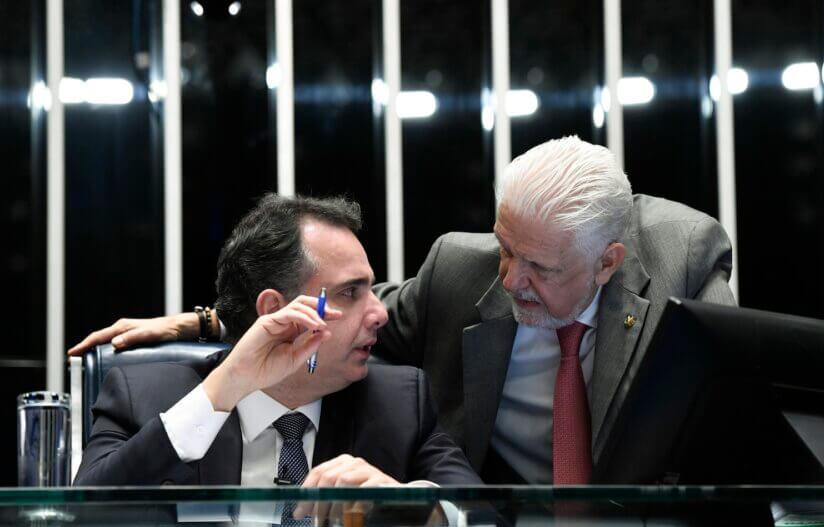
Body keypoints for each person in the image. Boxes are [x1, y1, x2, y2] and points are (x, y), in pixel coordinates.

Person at [71, 136, 734, 485]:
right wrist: (212, 326)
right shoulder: (459, 273)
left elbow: (740, 420)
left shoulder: (684, 260)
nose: (511, 280)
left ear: (608, 263)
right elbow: (326, 310)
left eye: (540, 268)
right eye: (506, 251)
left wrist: (406, 503)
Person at [74, 194, 480, 488]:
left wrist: (407, 506)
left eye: (372, 290)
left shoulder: (400, 405)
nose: (380, 313)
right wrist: (222, 391)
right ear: (275, 311)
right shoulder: (144, 395)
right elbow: (81, 526)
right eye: (350, 293)